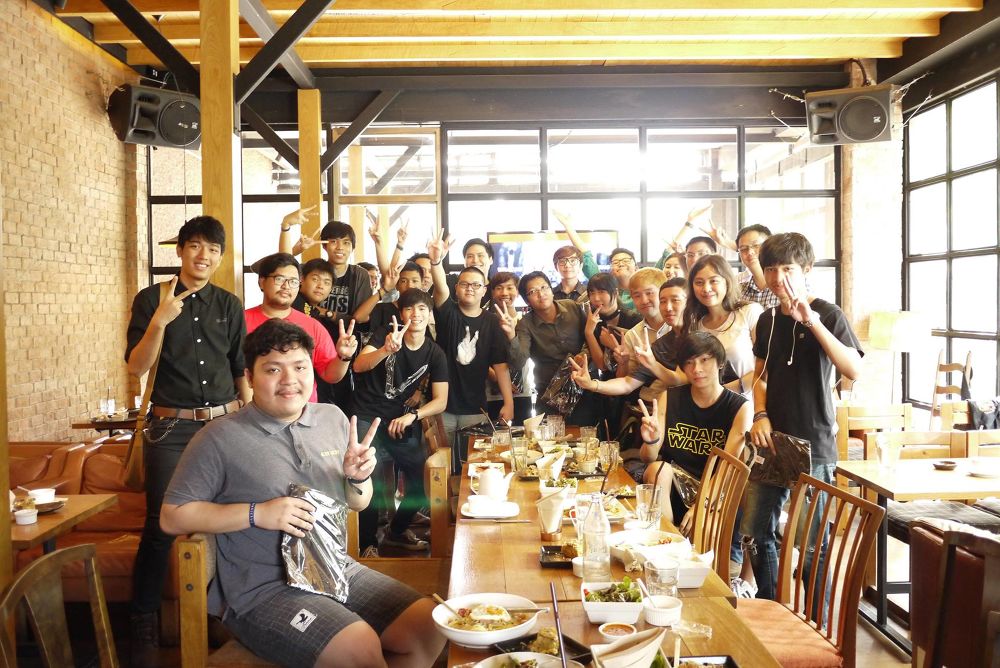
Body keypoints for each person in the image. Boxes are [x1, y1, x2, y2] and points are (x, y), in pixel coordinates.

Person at [159, 319, 445, 668]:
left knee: (429, 625)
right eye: (273, 369)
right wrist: (258, 513)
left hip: (336, 569)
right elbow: (172, 516)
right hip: (264, 590)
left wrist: (357, 477)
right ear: (249, 377)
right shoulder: (219, 437)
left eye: (299, 367)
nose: (289, 380)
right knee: (360, 647)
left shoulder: (332, 418)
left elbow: (359, 502)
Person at [124, 215, 251, 665]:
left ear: (220, 256)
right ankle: (143, 620)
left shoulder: (229, 304)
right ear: (180, 250)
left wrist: (250, 417)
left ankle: (224, 613)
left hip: (224, 426)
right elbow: (136, 367)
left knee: (229, 520)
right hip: (170, 429)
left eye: (213, 249)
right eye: (195, 246)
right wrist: (159, 322)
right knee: (161, 525)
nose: (204, 255)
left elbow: (239, 367)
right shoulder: (150, 300)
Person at [742, 232, 863, 601]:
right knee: (755, 532)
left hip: (814, 442)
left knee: (812, 544)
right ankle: (771, 605)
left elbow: (853, 369)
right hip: (772, 440)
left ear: (806, 269)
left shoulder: (829, 313)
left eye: (787, 269)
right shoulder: (766, 320)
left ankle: (816, 620)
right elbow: (760, 376)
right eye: (771, 269)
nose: (778, 278)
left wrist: (811, 321)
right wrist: (760, 414)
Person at [352, 289, 449, 555]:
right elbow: (359, 365)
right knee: (368, 481)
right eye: (409, 309)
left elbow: (441, 401)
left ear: (430, 315)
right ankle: (367, 544)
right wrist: (385, 350)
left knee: (420, 478)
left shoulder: (434, 353)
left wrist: (413, 415)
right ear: (401, 313)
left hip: (399, 419)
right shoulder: (386, 333)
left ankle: (396, 531)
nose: (415, 314)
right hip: (366, 416)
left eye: (422, 309)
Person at [637, 332, 751, 531]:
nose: (697, 369)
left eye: (704, 360)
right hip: (673, 487)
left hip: (715, 490)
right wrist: (651, 441)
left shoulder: (740, 408)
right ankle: (665, 537)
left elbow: (727, 468)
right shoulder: (670, 397)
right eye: (689, 363)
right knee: (657, 469)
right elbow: (648, 458)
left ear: (720, 363)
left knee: (706, 529)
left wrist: (701, 504)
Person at [426, 232, 514, 451]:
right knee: (441, 463)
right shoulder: (448, 313)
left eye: (476, 285)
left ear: (484, 291)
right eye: (464, 284)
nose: (470, 288)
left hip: (476, 408)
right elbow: (440, 288)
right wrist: (436, 261)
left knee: (474, 462)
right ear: (456, 288)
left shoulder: (492, 322)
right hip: (442, 406)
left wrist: (509, 402)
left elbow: (500, 366)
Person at [244, 253, 358, 402]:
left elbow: (330, 375)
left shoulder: (313, 325)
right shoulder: (240, 321)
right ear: (261, 282)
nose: (286, 286)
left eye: (293, 281)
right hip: (255, 410)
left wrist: (344, 357)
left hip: (303, 411)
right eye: (279, 279)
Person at [499, 271, 586, 421]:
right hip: (550, 395)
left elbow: (590, 338)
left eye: (544, 287)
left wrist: (584, 356)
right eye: (533, 292)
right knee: (550, 435)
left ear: (551, 290)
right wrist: (511, 334)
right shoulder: (525, 324)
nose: (541, 294)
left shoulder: (572, 307)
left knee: (588, 433)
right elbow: (518, 362)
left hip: (585, 388)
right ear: (527, 301)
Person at [683, 255, 763, 398]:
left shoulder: (749, 312)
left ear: (727, 281)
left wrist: (725, 391)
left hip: (749, 402)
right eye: (699, 282)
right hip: (711, 404)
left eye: (713, 281)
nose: (706, 288)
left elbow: (766, 365)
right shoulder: (695, 325)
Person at [552, 210, 637, 311]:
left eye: (626, 260)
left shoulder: (647, 285)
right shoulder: (606, 288)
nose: (621, 264)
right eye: (616, 262)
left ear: (636, 267)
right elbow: (586, 257)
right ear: (611, 270)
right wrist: (568, 226)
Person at [485, 272, 533, 424]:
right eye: (499, 288)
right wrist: (496, 377)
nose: (504, 293)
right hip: (491, 395)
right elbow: (479, 355)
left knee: (524, 435)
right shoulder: (485, 320)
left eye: (510, 288)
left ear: (517, 292)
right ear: (492, 292)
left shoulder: (524, 321)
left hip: (522, 392)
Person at [733, 224, 781, 308]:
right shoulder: (739, 292)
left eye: (756, 246)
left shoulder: (784, 286)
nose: (750, 252)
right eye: (743, 249)